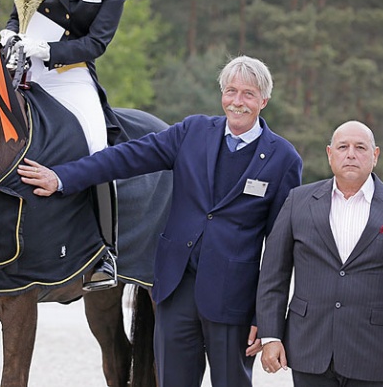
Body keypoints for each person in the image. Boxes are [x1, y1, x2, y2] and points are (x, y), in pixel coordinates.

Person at [17, 55, 303, 387]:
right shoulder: (192, 132)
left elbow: (279, 252)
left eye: (248, 94)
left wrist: (264, 320)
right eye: (231, 91)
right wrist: (61, 177)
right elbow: (125, 157)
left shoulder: (283, 159)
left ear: (263, 100)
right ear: (222, 93)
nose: (237, 102)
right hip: (174, 288)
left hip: (233, 300)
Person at [0, 0, 131, 290]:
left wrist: (48, 50)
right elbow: (18, 10)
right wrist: (8, 33)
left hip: (70, 75)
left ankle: (105, 251)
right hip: (22, 67)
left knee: (97, 150)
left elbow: (97, 43)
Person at [256, 120, 383, 386]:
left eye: (360, 147)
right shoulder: (298, 201)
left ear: (375, 155)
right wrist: (271, 336)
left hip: (375, 351)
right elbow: (273, 275)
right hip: (309, 346)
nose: (351, 154)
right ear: (330, 154)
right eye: (343, 147)